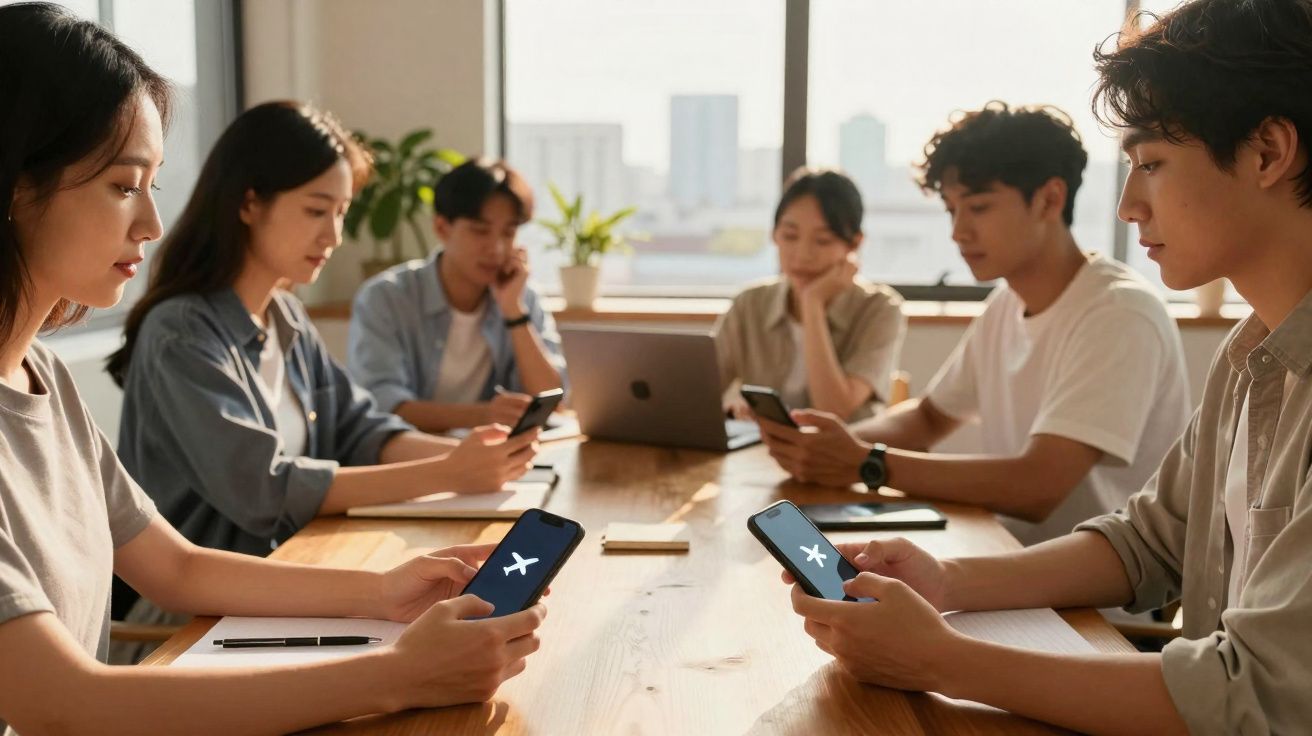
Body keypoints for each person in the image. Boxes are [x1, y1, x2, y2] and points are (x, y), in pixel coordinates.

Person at [0, 5, 543, 733]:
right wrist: (397, 676)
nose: (151, 225)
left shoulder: (42, 376)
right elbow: (70, 704)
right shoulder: (180, 331)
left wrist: (383, 593)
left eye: (153, 187)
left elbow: (178, 566)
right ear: (14, 184)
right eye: (124, 185)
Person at [783, 1, 1312, 733]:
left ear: (1266, 152)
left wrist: (940, 659)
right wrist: (944, 581)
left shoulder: (1122, 311)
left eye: (1152, 164)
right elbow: (1147, 539)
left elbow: (1259, 695)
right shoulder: (1251, 355)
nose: (1128, 206)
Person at [758, 103, 1190, 545]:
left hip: (1097, 603)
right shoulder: (1007, 303)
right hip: (1009, 559)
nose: (958, 232)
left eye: (979, 207)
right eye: (951, 210)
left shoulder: (1118, 313)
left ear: (1049, 199)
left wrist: (865, 462)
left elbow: (1039, 486)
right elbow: (928, 418)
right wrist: (821, 446)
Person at [348, 158, 566, 433]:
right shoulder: (385, 298)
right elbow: (381, 404)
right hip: (410, 457)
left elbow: (551, 398)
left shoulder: (521, 296)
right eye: (480, 230)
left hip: (494, 458)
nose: (497, 249)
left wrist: (513, 312)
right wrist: (483, 415)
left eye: (508, 233)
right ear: (442, 228)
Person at [716, 167, 905, 422]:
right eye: (790, 236)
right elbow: (697, 393)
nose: (803, 254)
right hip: (759, 457)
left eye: (823, 240)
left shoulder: (880, 308)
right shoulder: (750, 303)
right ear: (774, 235)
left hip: (841, 459)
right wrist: (729, 408)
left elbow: (833, 410)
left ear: (855, 243)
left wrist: (812, 304)